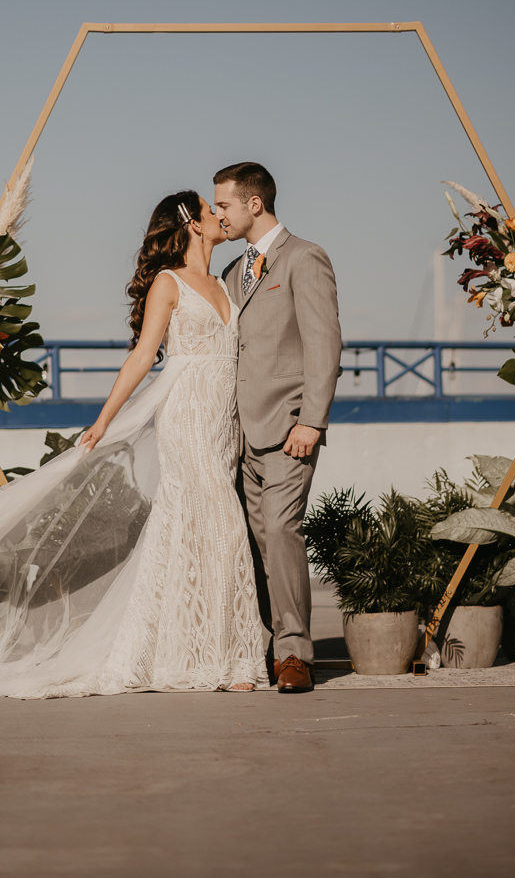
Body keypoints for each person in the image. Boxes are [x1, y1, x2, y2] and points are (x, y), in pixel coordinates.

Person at [0, 191, 268, 701]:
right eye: (210, 208)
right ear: (192, 224)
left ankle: (203, 650)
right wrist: (104, 421)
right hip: (187, 416)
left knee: (202, 526)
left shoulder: (223, 282)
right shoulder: (167, 283)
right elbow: (141, 358)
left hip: (224, 423)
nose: (220, 215)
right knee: (217, 518)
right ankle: (229, 655)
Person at [214, 162, 342, 693]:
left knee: (283, 529)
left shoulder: (304, 258)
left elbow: (324, 344)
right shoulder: (229, 273)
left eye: (223, 204)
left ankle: (294, 655)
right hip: (239, 434)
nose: (217, 214)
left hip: (290, 426)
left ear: (254, 204)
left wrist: (312, 420)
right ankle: (267, 644)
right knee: (258, 539)